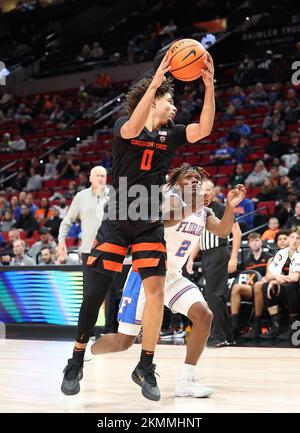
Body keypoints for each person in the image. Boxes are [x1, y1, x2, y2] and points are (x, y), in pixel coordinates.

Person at [60, 51, 216, 401]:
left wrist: (208, 85)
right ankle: (76, 358)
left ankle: (145, 365)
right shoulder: (123, 127)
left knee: (156, 294)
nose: (175, 107)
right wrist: (156, 81)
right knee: (94, 296)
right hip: (116, 222)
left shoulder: (171, 135)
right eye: (170, 100)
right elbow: (134, 127)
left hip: (148, 224)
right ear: (155, 99)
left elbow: (204, 129)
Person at [86, 166, 246, 398]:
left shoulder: (204, 212)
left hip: (172, 277)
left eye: (197, 178)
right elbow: (165, 220)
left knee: (204, 315)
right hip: (146, 274)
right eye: (188, 177)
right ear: (177, 183)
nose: (194, 180)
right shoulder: (170, 199)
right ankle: (86, 351)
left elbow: (222, 231)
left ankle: (186, 379)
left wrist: (230, 207)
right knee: (124, 341)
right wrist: (194, 205)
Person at [187, 178, 242, 347]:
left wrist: (233, 257)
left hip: (219, 252)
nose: (205, 192)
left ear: (213, 192)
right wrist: (190, 258)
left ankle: (218, 336)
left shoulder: (219, 208)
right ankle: (228, 337)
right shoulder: (199, 210)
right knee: (215, 297)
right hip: (207, 255)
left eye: (209, 189)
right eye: (202, 189)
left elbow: (237, 232)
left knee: (213, 296)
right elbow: (199, 238)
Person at [57, 166, 109, 297]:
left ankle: (110, 319)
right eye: (97, 175)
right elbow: (67, 220)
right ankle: (87, 318)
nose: (100, 178)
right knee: (88, 291)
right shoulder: (81, 196)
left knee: (109, 292)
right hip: (88, 250)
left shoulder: (114, 195)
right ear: (91, 178)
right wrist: (61, 240)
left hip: (110, 250)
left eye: (103, 176)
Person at [230, 232, 273, 338]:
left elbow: (269, 275)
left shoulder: (269, 257)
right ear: (248, 244)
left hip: (265, 288)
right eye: (252, 241)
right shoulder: (247, 262)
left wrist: (263, 281)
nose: (254, 243)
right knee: (236, 287)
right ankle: (234, 326)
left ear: (261, 242)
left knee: (258, 285)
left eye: (257, 240)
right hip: (251, 289)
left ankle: (257, 325)